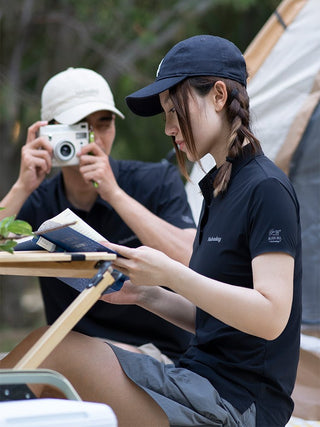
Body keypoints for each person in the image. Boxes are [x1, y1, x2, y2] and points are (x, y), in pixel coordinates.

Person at [1, 35, 302, 426]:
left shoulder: (265, 188)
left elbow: (271, 316)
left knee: (55, 350)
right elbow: (217, 319)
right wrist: (146, 294)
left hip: (238, 406)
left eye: (174, 112)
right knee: (46, 358)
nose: (168, 129)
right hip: (199, 381)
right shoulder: (221, 187)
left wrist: (171, 272)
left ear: (218, 95)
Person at [0, 67, 196, 362]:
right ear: (47, 133)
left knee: (50, 351)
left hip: (161, 356)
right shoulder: (37, 198)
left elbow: (192, 259)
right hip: (74, 356)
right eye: (78, 127)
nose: (93, 139)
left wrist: (114, 194)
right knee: (47, 355)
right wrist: (21, 186)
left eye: (104, 124)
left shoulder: (156, 180)